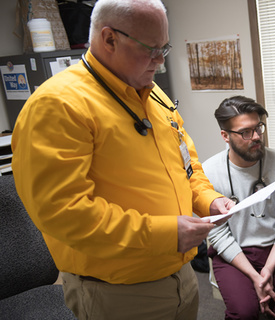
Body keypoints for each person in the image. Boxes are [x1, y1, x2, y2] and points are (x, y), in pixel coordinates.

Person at [11, 0, 234, 319]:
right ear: (109, 39)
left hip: (180, 276)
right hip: (118, 293)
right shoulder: (58, 106)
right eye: (151, 49)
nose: (160, 60)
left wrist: (208, 200)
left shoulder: (154, 94)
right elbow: (63, 212)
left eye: (164, 48)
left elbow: (187, 168)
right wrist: (165, 235)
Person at [203, 96, 275, 320]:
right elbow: (217, 232)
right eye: (246, 132)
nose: (257, 137)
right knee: (244, 312)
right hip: (233, 252)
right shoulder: (208, 172)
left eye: (259, 127)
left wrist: (267, 269)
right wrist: (254, 276)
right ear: (225, 136)